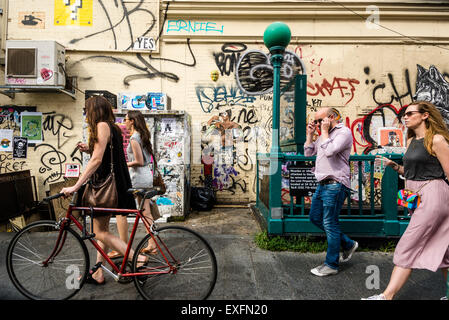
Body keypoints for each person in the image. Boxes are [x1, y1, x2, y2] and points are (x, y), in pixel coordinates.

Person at [363, 101, 449, 300]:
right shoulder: (411, 141)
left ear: (425, 115)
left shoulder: (436, 140)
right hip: (415, 196)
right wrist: (395, 166)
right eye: (405, 114)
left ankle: (386, 296)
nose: (406, 117)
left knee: (408, 244)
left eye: (410, 113)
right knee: (444, 251)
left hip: (434, 195)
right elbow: (410, 172)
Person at [61, 96, 146, 284]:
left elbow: (98, 160)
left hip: (105, 186)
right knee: (103, 229)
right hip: (115, 185)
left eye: (87, 109)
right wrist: (89, 149)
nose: (85, 113)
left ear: (94, 110)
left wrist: (76, 185)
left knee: (98, 232)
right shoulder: (112, 126)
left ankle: (136, 257)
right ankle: (98, 272)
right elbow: (106, 153)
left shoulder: (101, 125)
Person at [304, 107, 359, 276]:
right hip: (322, 183)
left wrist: (325, 132)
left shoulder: (344, 132)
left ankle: (331, 265)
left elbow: (329, 151)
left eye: (320, 120)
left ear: (332, 117)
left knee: (329, 223)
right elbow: (308, 153)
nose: (318, 124)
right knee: (315, 217)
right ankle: (348, 244)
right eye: (317, 121)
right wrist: (310, 135)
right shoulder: (323, 134)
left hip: (336, 183)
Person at [111, 110, 159, 256]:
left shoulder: (134, 138)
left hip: (138, 178)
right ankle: (152, 245)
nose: (124, 122)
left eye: (126, 119)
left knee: (121, 210)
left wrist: (123, 164)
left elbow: (139, 161)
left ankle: (122, 248)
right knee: (146, 212)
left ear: (132, 121)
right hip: (145, 176)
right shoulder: (142, 136)